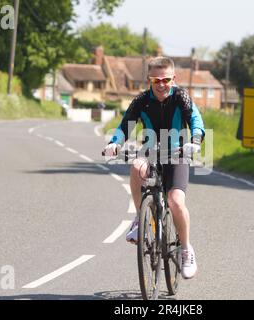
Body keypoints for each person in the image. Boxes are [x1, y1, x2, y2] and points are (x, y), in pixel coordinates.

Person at [102, 57, 204, 279]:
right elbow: (125, 124)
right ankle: (141, 218)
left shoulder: (181, 97)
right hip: (151, 152)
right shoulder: (142, 100)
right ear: (149, 80)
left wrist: (195, 141)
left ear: (173, 79)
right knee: (137, 166)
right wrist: (114, 143)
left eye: (166, 79)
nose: (161, 84)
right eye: (156, 80)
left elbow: (196, 120)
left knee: (175, 201)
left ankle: (186, 249)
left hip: (178, 154)